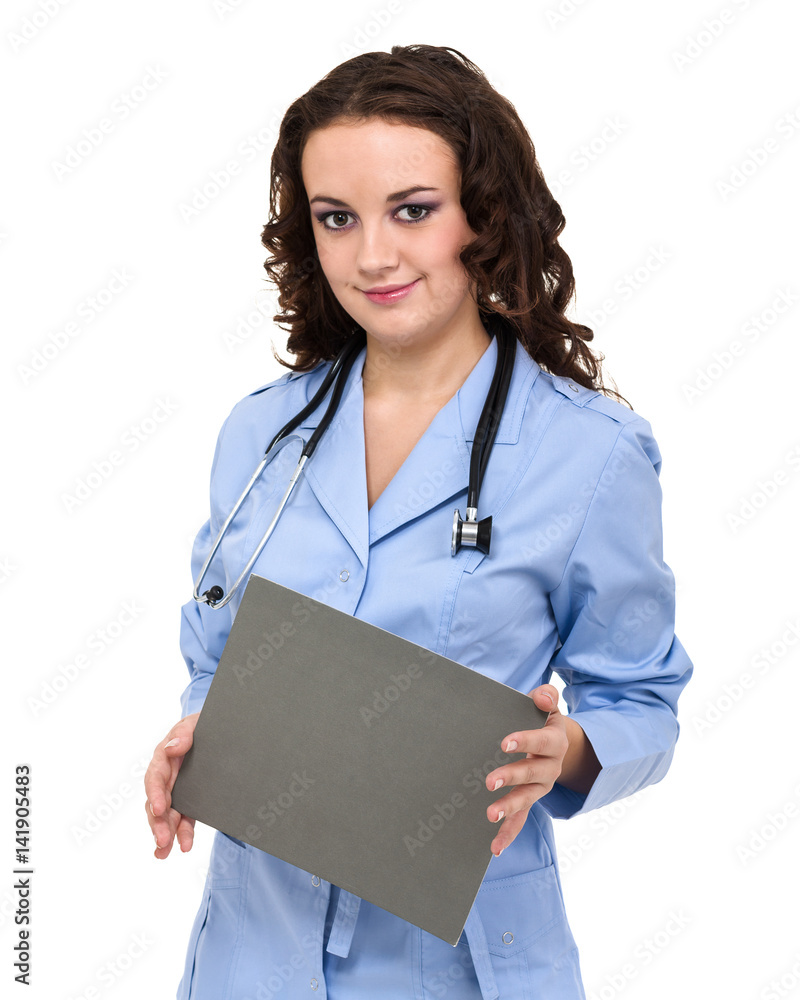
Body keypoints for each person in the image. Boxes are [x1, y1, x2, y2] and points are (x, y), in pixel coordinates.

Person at [144, 44, 693, 1000]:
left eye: (413, 211)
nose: (374, 256)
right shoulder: (261, 436)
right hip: (251, 952)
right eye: (336, 218)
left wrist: (564, 753)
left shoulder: (591, 454)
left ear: (485, 214)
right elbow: (215, 651)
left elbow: (642, 698)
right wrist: (200, 729)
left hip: (461, 963)